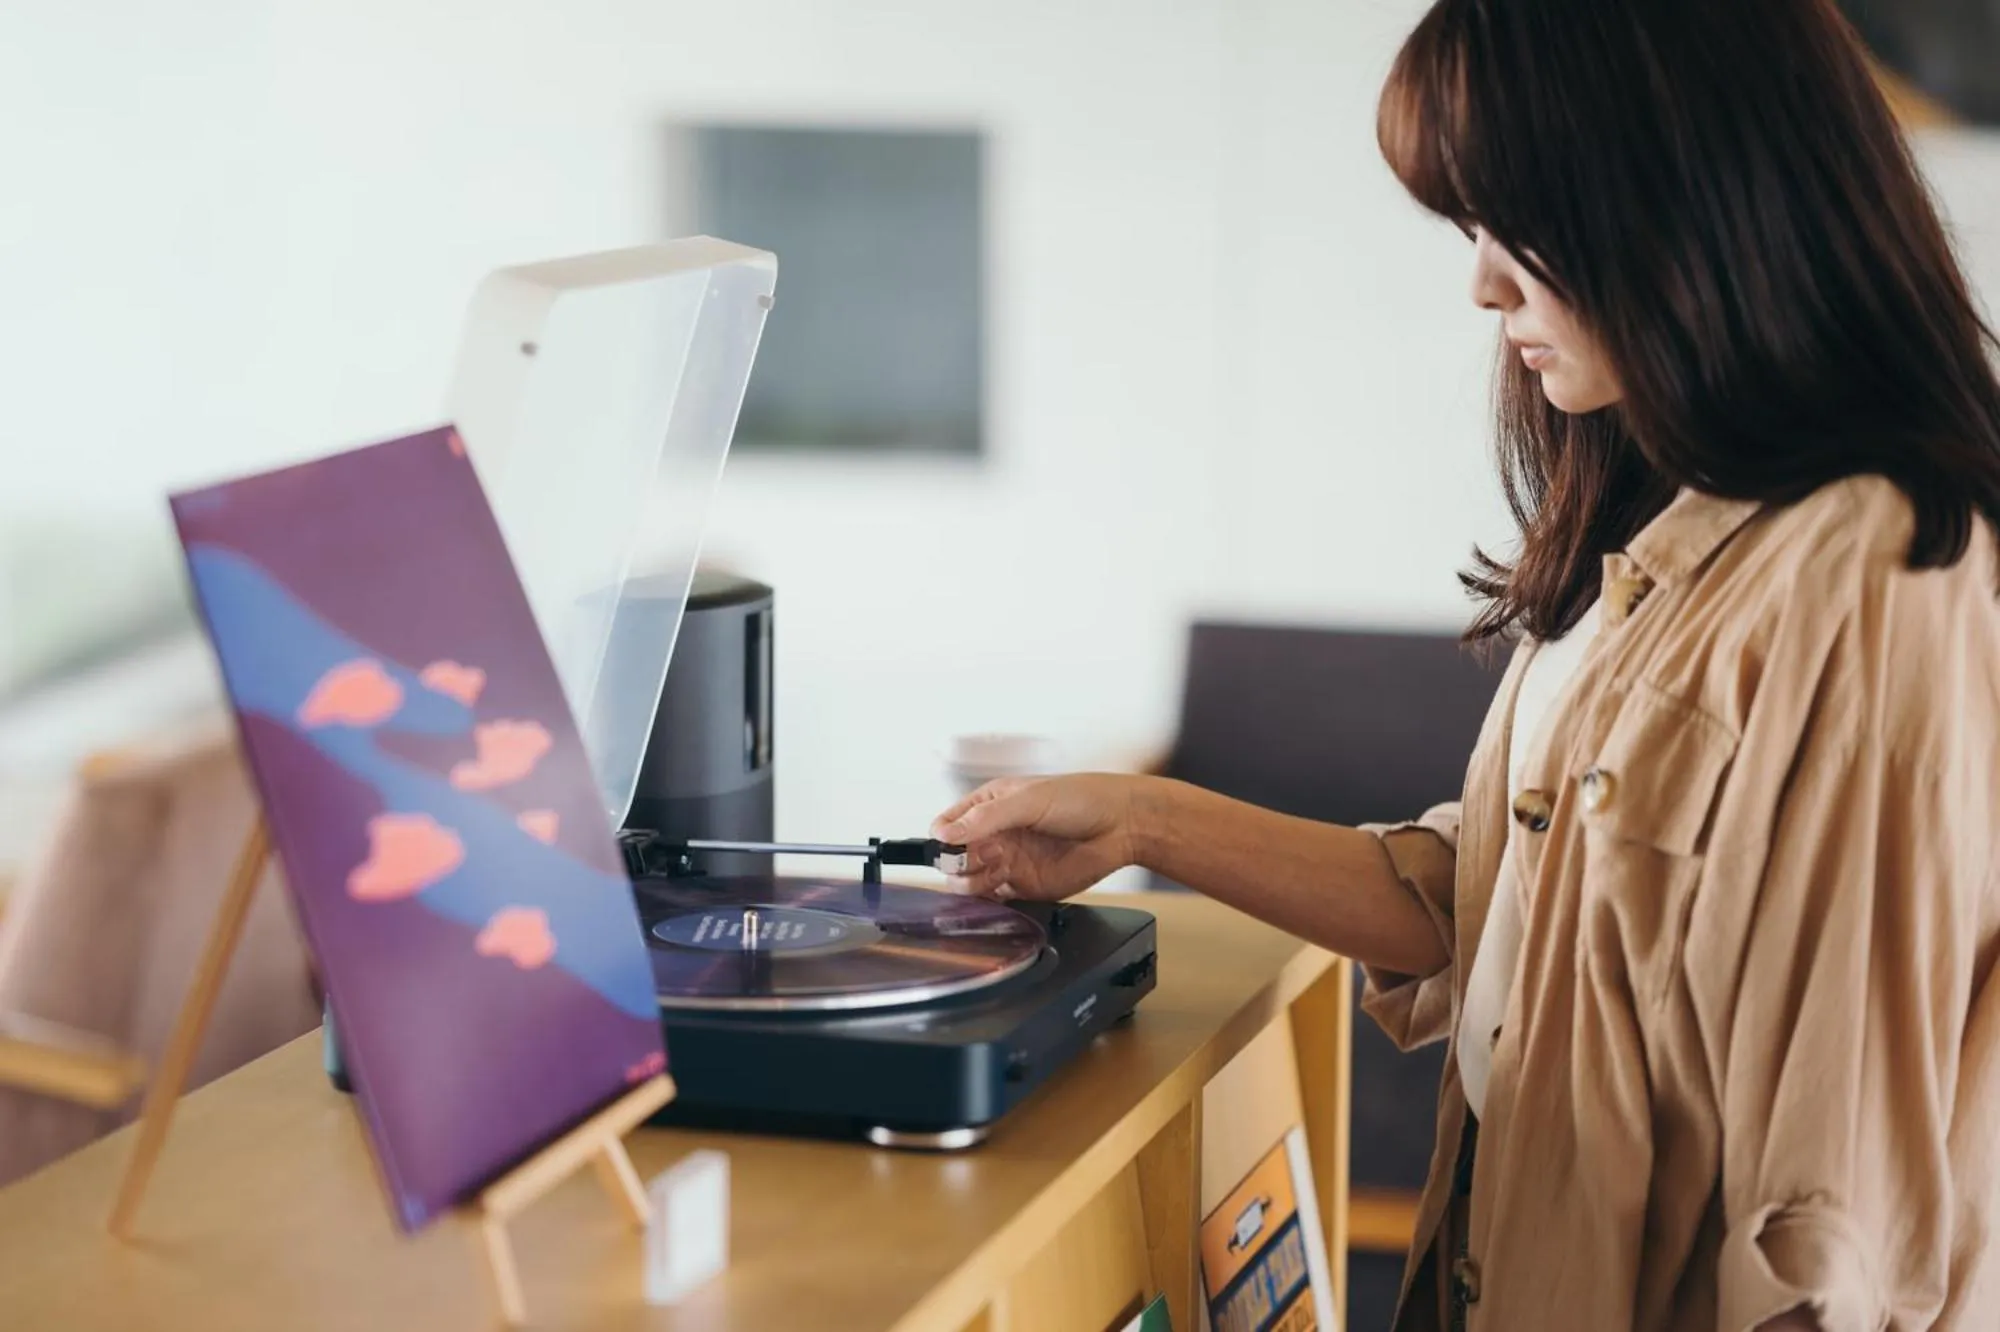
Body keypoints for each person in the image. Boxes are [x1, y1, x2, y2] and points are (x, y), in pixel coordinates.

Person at [931, 1, 2000, 1328]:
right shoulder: (1681, 508)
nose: (1485, 286)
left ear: (1685, 198)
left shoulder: (1875, 567)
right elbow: (1498, 899)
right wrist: (1143, 815)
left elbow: (1839, 1214)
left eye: (1515, 230)